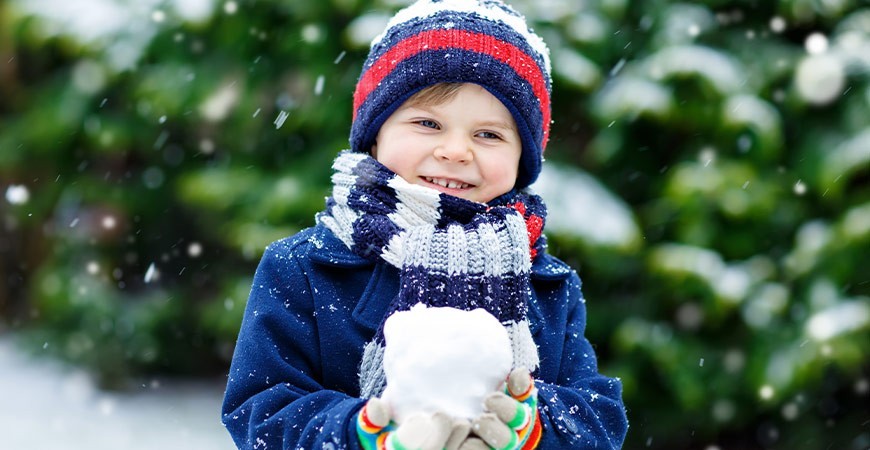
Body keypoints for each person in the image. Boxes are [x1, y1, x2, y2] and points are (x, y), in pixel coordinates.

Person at [221, 0, 629, 448]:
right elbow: (262, 409)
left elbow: (597, 418)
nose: (456, 151)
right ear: (375, 136)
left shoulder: (548, 284)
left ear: (522, 159)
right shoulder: (303, 269)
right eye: (428, 123)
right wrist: (360, 433)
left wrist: (534, 426)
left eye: (488, 134)